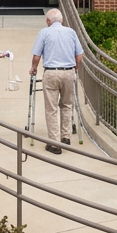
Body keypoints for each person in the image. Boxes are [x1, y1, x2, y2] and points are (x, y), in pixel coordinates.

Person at [30, 8, 84, 155]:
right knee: (67, 105)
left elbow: (36, 56)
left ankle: (54, 143)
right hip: (68, 72)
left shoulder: (44, 32)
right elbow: (79, 55)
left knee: (51, 108)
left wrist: (33, 69)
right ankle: (65, 136)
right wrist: (76, 69)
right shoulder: (71, 32)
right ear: (61, 21)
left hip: (52, 73)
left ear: (48, 21)